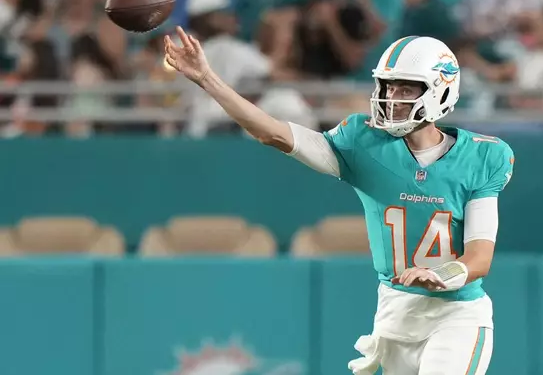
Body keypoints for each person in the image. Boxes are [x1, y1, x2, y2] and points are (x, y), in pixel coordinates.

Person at [164, 27, 514, 375]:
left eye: (406, 88)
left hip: (455, 315)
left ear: (440, 91)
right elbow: (271, 132)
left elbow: (479, 258)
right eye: (388, 87)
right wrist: (207, 79)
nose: (392, 99)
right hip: (395, 315)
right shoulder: (363, 143)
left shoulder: (482, 158)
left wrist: (440, 275)